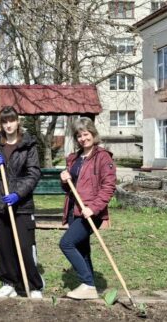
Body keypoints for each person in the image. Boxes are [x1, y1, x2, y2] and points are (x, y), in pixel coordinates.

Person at [0, 106, 44, 299]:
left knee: (25, 246)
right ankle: (8, 283)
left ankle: (34, 286)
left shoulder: (28, 144)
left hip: (22, 204)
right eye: (4, 121)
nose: (8, 125)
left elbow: (33, 173)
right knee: (5, 245)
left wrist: (18, 194)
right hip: (0, 202)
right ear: (1, 124)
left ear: (18, 122)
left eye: (11, 121)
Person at [59, 117, 116, 300]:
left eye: (86, 134)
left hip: (91, 212)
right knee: (82, 250)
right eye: (79, 136)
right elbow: (69, 189)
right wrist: (64, 179)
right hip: (74, 210)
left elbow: (109, 187)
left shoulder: (102, 157)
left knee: (66, 243)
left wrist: (94, 208)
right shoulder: (74, 158)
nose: (83, 138)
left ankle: (87, 283)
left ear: (93, 134)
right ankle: (89, 287)